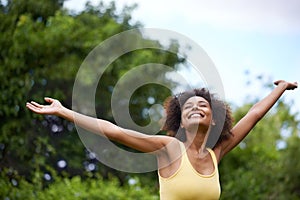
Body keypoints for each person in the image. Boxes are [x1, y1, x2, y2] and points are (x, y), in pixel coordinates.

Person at [26, 80, 297, 200]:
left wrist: (281, 89)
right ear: (179, 121)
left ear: (214, 119)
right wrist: (64, 112)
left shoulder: (217, 153)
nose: (195, 108)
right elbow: (116, 132)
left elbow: (254, 114)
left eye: (202, 106)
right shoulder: (169, 149)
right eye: (189, 106)